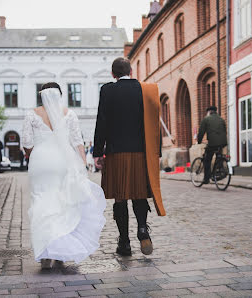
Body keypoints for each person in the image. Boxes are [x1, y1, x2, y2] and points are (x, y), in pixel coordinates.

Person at [21, 82, 106, 269]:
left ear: (41, 95)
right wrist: (82, 164)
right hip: (62, 162)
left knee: (41, 204)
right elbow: (77, 141)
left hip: (40, 162)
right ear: (59, 95)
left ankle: (44, 254)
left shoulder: (31, 114)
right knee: (62, 205)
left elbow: (26, 142)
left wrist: (33, 154)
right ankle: (59, 253)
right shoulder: (69, 114)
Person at [94, 57, 166, 257]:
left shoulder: (107, 90)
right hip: (141, 153)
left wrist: (97, 152)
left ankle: (124, 242)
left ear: (113, 74)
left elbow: (102, 121)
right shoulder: (146, 90)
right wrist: (157, 152)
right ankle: (143, 230)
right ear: (131, 72)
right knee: (139, 194)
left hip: (116, 153)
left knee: (120, 198)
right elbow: (155, 125)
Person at [197, 106, 228, 184]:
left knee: (207, 159)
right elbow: (224, 131)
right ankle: (219, 171)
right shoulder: (221, 119)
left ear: (209, 112)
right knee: (219, 156)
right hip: (222, 142)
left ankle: (206, 179)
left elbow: (201, 132)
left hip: (212, 143)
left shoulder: (206, 119)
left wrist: (199, 141)